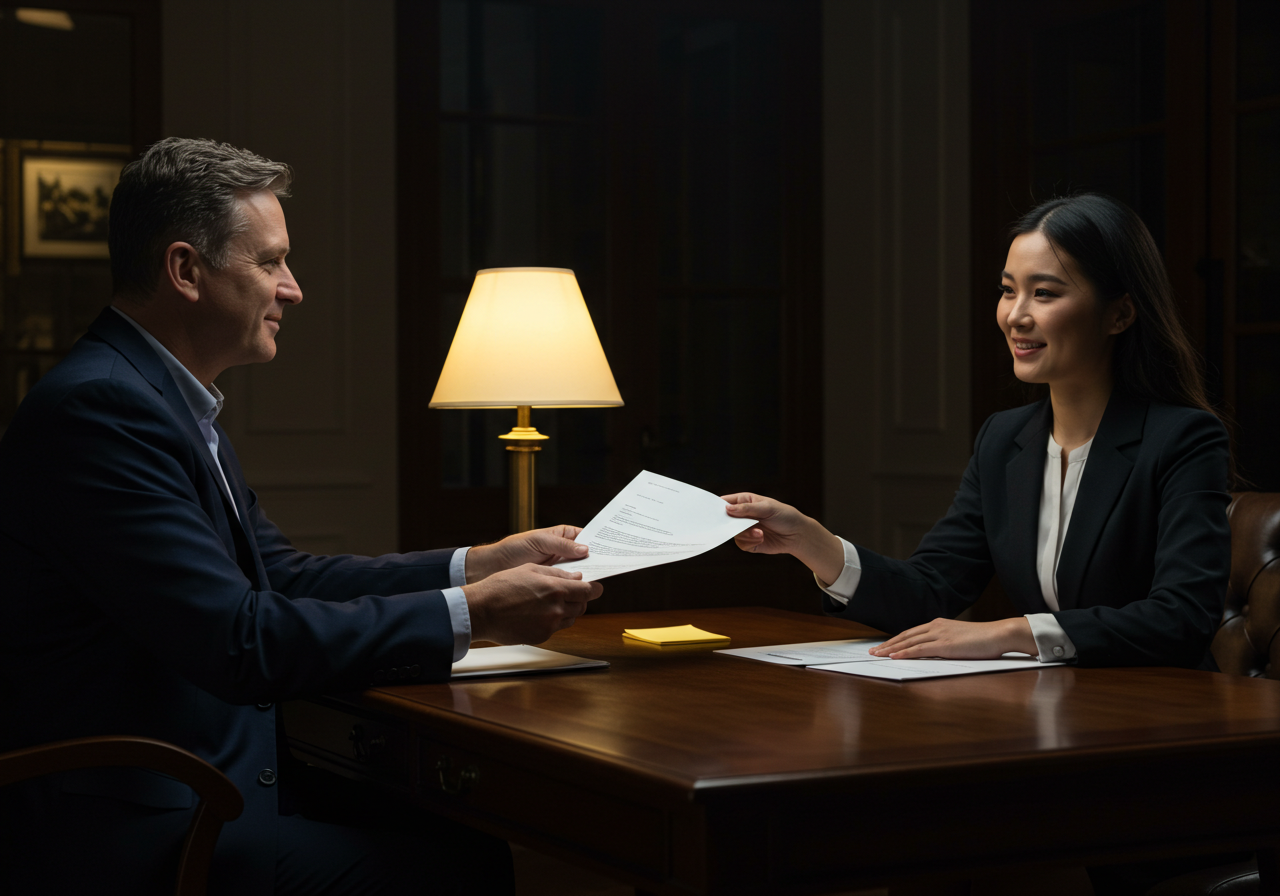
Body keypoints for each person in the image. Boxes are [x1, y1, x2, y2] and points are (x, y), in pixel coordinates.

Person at [0, 137, 603, 896]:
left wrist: (474, 563)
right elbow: (238, 638)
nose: (293, 289)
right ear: (186, 271)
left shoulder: (159, 398)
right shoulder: (102, 411)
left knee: (458, 833)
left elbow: (279, 575)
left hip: (197, 780)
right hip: (136, 827)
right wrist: (469, 614)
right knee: (461, 866)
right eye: (269, 262)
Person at [725, 192, 1231, 671]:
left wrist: (1010, 633)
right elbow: (930, 589)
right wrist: (812, 542)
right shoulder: (1004, 439)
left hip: (1165, 715)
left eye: (1045, 293)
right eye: (1008, 290)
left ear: (1119, 314)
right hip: (1055, 709)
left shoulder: (1184, 438)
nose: (1016, 316)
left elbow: (1181, 618)